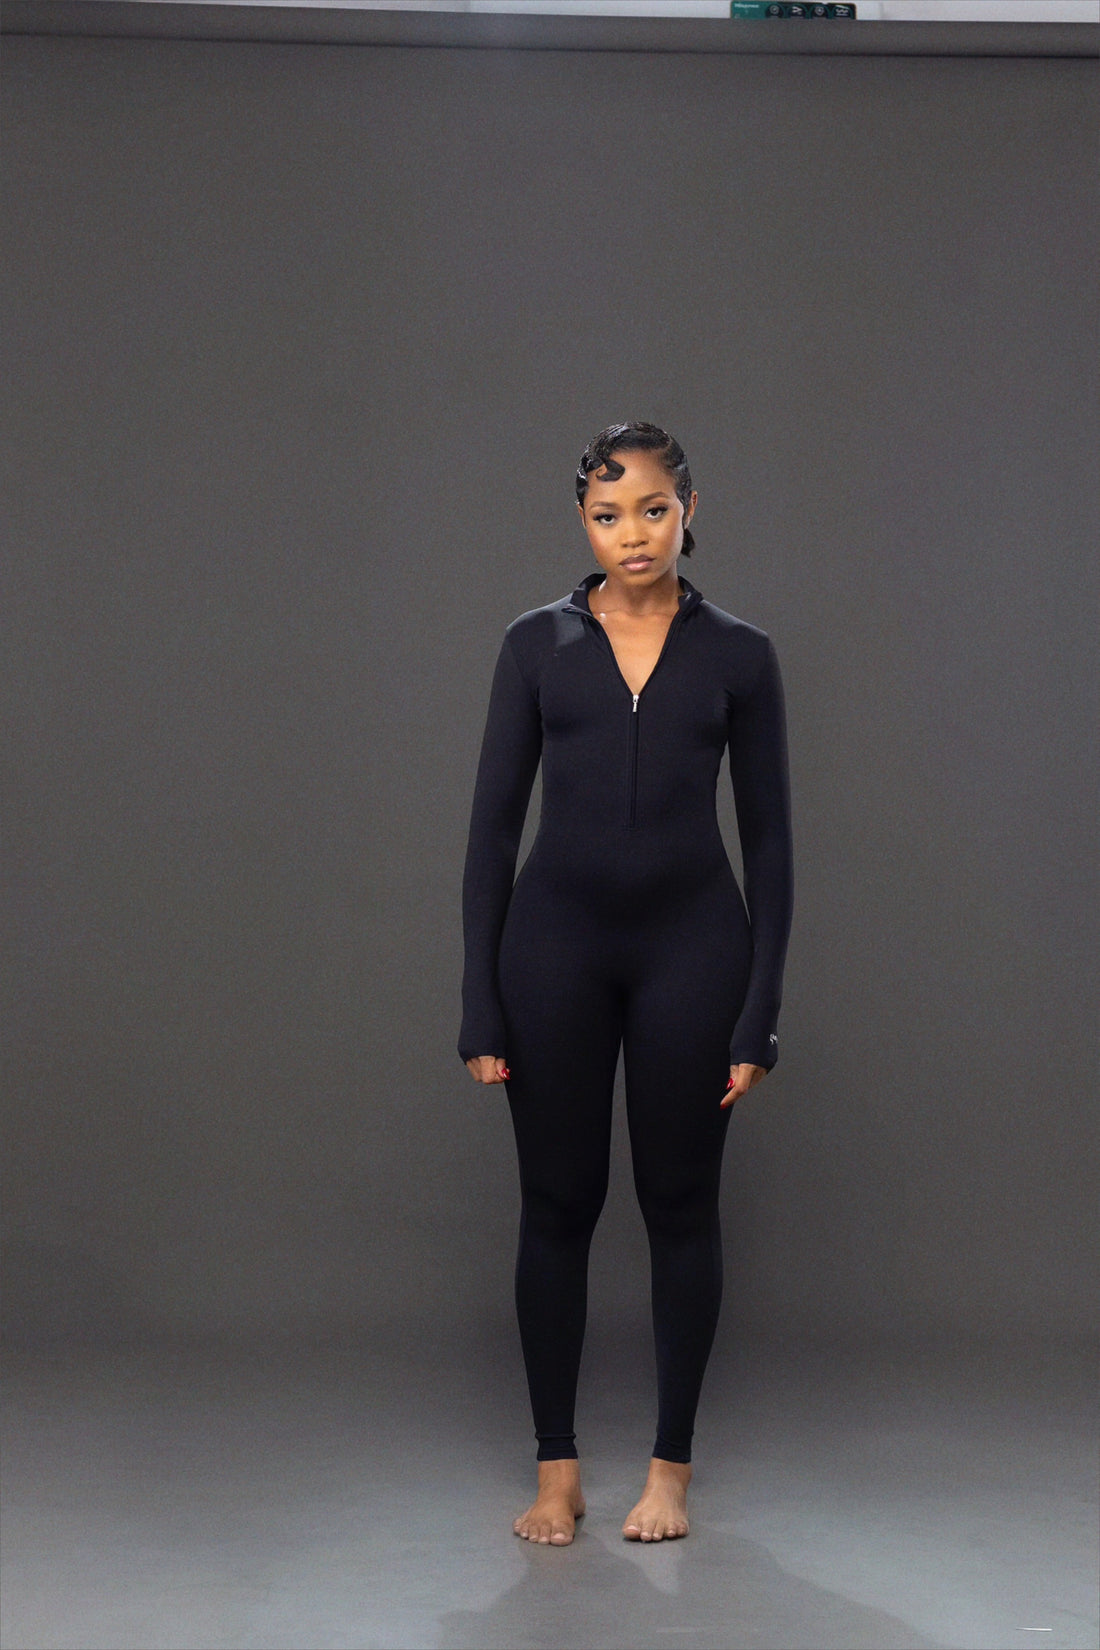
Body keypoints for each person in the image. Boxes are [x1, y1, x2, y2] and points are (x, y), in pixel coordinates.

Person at [457, 420, 793, 1546]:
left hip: (693, 953)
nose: (632, 534)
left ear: (689, 509)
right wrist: (479, 1003)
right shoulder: (535, 645)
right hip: (552, 953)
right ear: (583, 523)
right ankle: (555, 1470)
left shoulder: (739, 655)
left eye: (653, 509)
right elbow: (491, 833)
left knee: (680, 1206)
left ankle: (669, 1470)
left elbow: (771, 844)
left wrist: (759, 1013)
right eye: (608, 516)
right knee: (556, 1205)